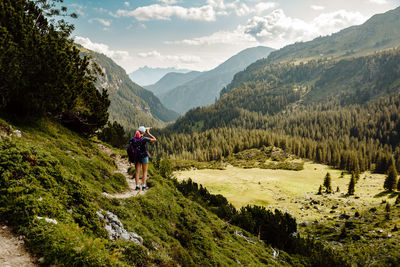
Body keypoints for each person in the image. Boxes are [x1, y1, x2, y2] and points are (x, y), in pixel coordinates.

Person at [134, 126, 156, 190]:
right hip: (144, 156)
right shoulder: (144, 138)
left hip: (137, 156)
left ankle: (137, 186)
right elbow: (154, 139)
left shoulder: (134, 138)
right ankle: (144, 186)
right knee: (144, 172)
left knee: (137, 172)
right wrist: (148, 133)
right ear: (144, 132)